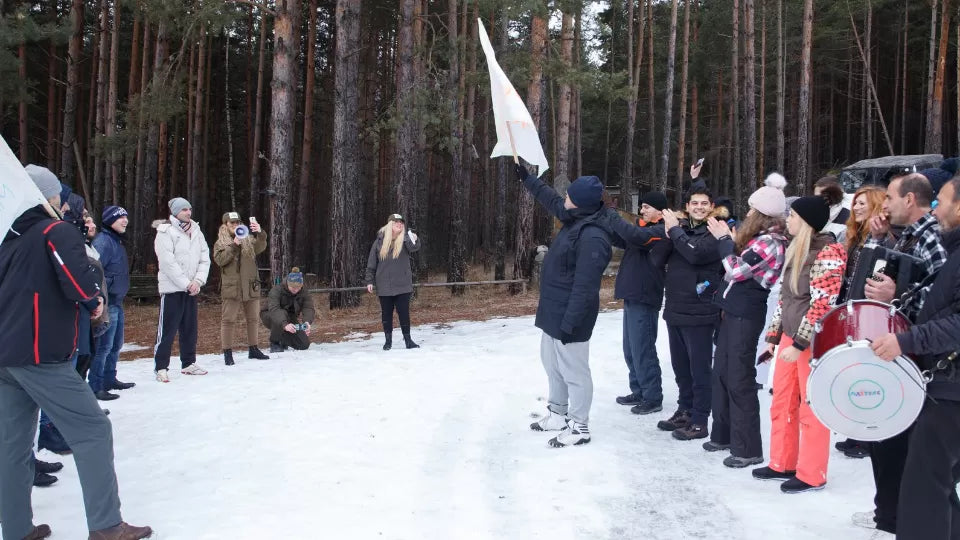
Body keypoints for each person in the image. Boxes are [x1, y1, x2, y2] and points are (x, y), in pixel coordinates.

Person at [0, 164, 152, 540]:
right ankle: (106, 525)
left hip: (6, 355)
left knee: (13, 445)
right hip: (40, 353)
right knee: (93, 431)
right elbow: (78, 281)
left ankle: (17, 528)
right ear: (49, 197)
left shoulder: (8, 238)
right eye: (58, 196)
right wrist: (94, 300)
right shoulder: (55, 231)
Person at [855, 173, 948, 535]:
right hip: (899, 348)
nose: (885, 204)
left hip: (918, 353)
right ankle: (888, 512)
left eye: (890, 197)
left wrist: (896, 297)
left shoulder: (933, 236)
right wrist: (880, 239)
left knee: (900, 442)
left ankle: (895, 516)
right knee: (884, 437)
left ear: (909, 199)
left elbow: (942, 297)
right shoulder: (907, 234)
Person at [752, 192, 847, 493]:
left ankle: (811, 472)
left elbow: (822, 305)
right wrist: (773, 338)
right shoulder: (796, 248)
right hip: (791, 338)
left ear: (805, 222)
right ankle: (782, 461)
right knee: (782, 399)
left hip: (812, 343)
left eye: (793, 216)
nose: (788, 219)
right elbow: (785, 298)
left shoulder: (829, 252)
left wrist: (800, 344)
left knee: (810, 405)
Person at [515, 162, 612, 448]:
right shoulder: (575, 217)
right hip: (553, 311)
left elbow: (585, 287)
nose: (564, 199)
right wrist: (528, 179)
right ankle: (558, 413)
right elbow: (552, 200)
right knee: (552, 365)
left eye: (570, 196)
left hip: (572, 318)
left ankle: (579, 426)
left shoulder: (593, 236)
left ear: (581, 204)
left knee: (575, 372)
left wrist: (570, 322)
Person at [706, 173, 789, 467]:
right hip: (733, 309)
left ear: (762, 216)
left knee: (740, 378)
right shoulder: (757, 239)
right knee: (722, 372)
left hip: (746, 314)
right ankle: (724, 433)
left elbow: (735, 271)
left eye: (753, 210)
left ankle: (748, 448)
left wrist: (723, 243)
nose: (748, 213)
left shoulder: (770, 242)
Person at [656, 179, 724, 441]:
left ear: (712, 207)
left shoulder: (715, 232)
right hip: (675, 307)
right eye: (694, 203)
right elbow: (656, 260)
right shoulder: (679, 232)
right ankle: (684, 410)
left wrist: (675, 233)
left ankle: (699, 419)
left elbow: (696, 255)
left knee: (699, 369)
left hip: (700, 310)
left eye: (704, 203)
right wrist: (667, 233)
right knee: (680, 366)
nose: (699, 207)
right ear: (686, 206)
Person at [832, 185, 887, 461]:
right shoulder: (851, 235)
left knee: (867, 370)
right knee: (852, 369)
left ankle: (868, 435)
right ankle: (856, 431)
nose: (856, 208)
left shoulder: (881, 238)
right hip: (848, 306)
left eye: (863, 203)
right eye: (855, 203)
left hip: (870, 310)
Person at [605, 192, 670, 415]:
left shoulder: (662, 231)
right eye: (641, 207)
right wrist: (604, 223)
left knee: (643, 348)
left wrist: (612, 215)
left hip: (645, 296)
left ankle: (652, 396)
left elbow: (637, 237)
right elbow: (622, 237)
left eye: (646, 207)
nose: (642, 210)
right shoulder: (642, 229)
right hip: (633, 295)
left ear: (660, 211)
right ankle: (639, 390)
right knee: (630, 348)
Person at [153, 197, 210, 383]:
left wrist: (198, 281)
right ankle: (161, 366)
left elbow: (204, 258)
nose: (188, 212)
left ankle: (188, 362)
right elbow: (168, 262)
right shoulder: (165, 231)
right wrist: (186, 283)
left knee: (189, 328)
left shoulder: (196, 231)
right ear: (175, 212)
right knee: (167, 330)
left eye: (189, 209)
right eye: (184, 209)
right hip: (172, 289)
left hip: (192, 289)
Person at [87, 206, 134, 401]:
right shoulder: (104, 242)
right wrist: (99, 299)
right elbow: (95, 272)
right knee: (103, 346)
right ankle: (96, 385)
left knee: (116, 344)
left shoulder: (117, 241)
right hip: (107, 303)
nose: (125, 221)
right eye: (120, 217)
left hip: (118, 301)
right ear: (109, 221)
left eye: (126, 217)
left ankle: (109, 378)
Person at [214, 211, 269, 365]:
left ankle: (253, 349)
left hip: (250, 286)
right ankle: (227, 353)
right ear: (225, 225)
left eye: (238, 223)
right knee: (228, 320)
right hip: (232, 288)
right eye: (232, 223)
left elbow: (261, 246)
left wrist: (260, 232)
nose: (236, 225)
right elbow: (220, 260)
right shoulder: (221, 243)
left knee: (252, 319)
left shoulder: (249, 240)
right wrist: (234, 245)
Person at [365, 213, 422, 350]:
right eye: (396, 222)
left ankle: (408, 340)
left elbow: (415, 247)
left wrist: (415, 238)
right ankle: (388, 341)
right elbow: (372, 263)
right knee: (386, 314)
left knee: (404, 313)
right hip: (384, 285)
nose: (400, 224)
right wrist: (369, 280)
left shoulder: (405, 240)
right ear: (390, 224)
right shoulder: (379, 241)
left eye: (401, 222)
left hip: (403, 284)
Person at [261, 268, 316, 352]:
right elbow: (275, 309)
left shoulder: (304, 292)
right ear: (287, 284)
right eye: (293, 287)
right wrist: (285, 324)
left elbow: (308, 308)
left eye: (298, 287)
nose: (295, 290)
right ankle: (275, 342)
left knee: (303, 344)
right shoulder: (276, 291)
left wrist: (307, 322)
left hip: (289, 317)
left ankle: (284, 340)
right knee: (281, 314)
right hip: (269, 315)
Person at [814, 176, 851, 243]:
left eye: (822, 196)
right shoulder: (827, 208)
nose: (818, 200)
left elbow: (833, 240)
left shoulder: (845, 213)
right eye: (816, 197)